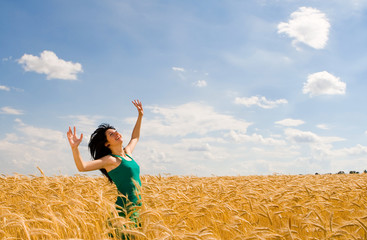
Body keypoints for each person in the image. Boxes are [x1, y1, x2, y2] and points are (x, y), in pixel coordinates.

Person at [66, 100, 143, 233]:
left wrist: (140, 115)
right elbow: (82, 167)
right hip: (124, 212)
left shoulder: (128, 154)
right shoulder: (110, 160)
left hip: (138, 209)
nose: (117, 134)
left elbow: (135, 137)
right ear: (106, 144)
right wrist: (75, 148)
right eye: (111, 134)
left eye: (116, 131)